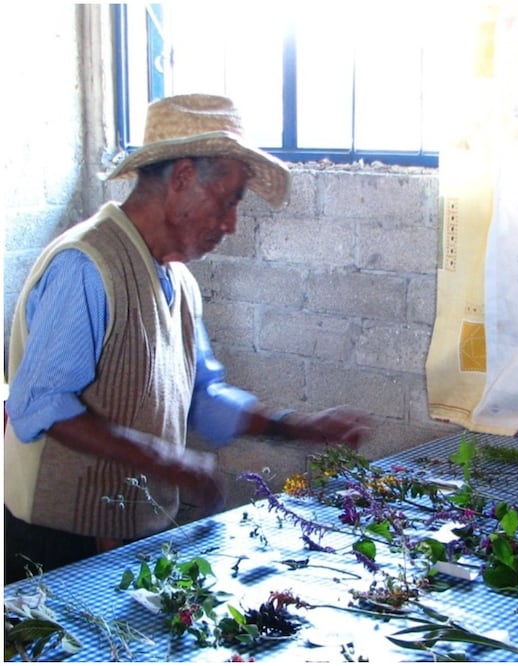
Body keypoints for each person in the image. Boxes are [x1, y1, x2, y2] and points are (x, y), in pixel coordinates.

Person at [4, 94, 372, 583]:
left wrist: (295, 426)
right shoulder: (86, 265)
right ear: (181, 179)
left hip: (135, 530)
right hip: (57, 543)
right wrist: (169, 460)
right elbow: (40, 404)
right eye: (227, 202)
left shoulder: (179, 281)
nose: (230, 224)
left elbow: (203, 397)